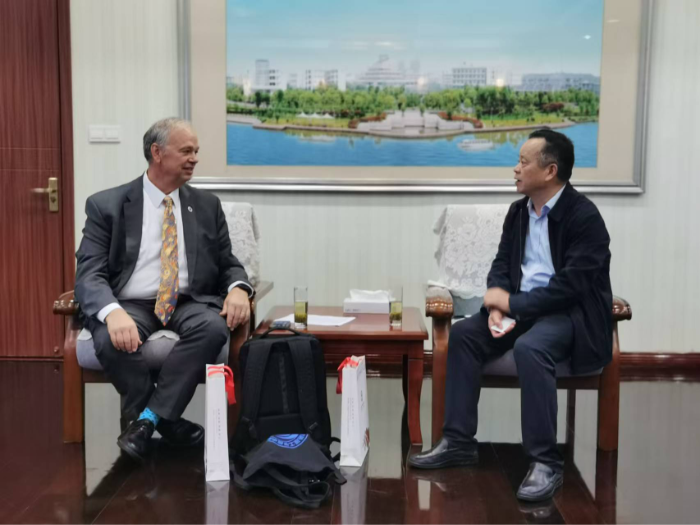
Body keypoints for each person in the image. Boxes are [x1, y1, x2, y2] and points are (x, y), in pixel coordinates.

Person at [408, 129, 613, 502]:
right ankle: (458, 442)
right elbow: (502, 265)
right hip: (523, 310)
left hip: (568, 315)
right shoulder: (519, 212)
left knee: (531, 348)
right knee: (465, 336)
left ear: (550, 171)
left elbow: (571, 288)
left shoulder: (585, 217)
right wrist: (495, 306)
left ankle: (545, 461)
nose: (515, 169)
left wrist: (512, 305)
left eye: (523, 162)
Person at [75, 117, 253, 462]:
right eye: (186, 151)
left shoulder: (207, 206)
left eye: (196, 151)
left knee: (213, 328)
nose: (194, 158)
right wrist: (112, 313)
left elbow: (228, 263)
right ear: (157, 153)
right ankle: (166, 422)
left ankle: (146, 420)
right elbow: (88, 275)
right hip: (131, 302)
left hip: (189, 300)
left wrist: (238, 288)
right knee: (109, 338)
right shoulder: (106, 205)